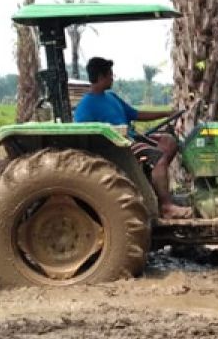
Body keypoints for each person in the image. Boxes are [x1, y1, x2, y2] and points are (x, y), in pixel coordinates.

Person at [74, 56, 191, 219]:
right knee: (157, 157)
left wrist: (165, 113)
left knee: (169, 141)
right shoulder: (85, 107)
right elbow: (84, 136)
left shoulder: (111, 97)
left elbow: (135, 114)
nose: (112, 77)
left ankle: (154, 186)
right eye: (110, 74)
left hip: (132, 138)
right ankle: (166, 206)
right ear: (101, 77)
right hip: (119, 147)